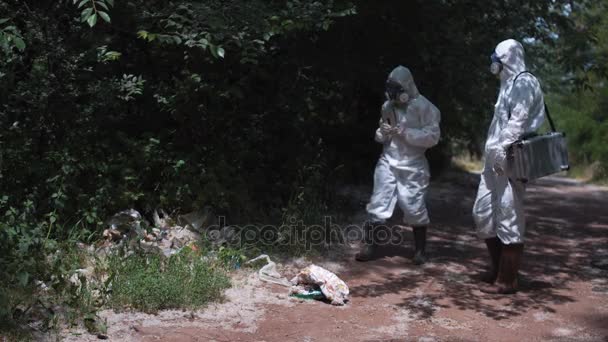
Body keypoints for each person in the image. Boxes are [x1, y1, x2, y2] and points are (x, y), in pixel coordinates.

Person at [473, 39, 546, 294]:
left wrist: (502, 150)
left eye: (498, 59)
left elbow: (518, 121)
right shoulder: (507, 84)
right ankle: (497, 269)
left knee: (509, 214)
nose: (494, 65)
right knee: (483, 214)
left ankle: (508, 279)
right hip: (493, 160)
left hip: (510, 159)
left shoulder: (525, 81)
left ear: (508, 58)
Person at [356, 66, 441, 265]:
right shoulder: (388, 107)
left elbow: (433, 137)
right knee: (379, 201)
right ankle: (370, 245)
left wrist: (406, 132)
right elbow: (380, 135)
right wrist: (383, 132)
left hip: (413, 164)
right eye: (390, 88)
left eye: (397, 88)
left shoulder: (425, 107)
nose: (393, 93)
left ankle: (420, 250)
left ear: (406, 86)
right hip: (388, 160)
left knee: (414, 205)